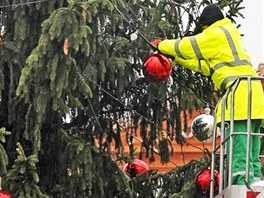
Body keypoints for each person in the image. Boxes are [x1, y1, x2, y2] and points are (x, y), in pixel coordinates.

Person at [151, 4, 264, 185]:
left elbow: (189, 45)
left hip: (240, 93)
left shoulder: (217, 32)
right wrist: (175, 57)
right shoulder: (227, 37)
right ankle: (255, 180)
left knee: (240, 144)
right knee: (252, 144)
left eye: (203, 28)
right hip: (252, 91)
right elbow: (204, 66)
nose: (203, 31)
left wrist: (162, 45)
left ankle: (241, 183)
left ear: (206, 25)